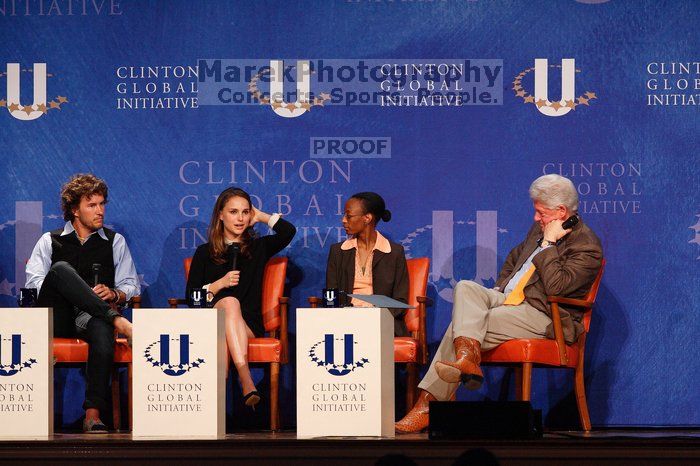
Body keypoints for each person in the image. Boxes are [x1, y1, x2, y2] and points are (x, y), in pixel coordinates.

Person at [395, 174, 603, 433]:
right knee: (466, 288)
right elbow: (516, 258)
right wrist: (500, 288)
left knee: (463, 326)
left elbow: (557, 287)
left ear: (561, 211)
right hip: (508, 299)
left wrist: (549, 244)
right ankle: (466, 359)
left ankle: (429, 402)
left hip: (543, 314)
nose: (536, 218)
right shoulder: (538, 229)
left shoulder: (587, 246)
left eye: (541, 212)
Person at [26, 174, 139, 433]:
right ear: (75, 210)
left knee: (101, 328)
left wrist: (114, 294)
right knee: (60, 269)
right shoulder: (49, 240)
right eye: (92, 205)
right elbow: (34, 286)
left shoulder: (115, 242)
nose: (100, 211)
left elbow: (131, 286)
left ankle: (92, 414)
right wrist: (74, 290)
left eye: (102, 204)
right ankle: (118, 321)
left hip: (92, 317)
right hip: (57, 316)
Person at [186, 187, 296, 408]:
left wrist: (262, 216)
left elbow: (288, 232)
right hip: (210, 324)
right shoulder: (204, 252)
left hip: (248, 323)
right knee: (228, 302)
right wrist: (219, 284)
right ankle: (245, 378)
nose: (240, 218)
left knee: (231, 305)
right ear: (220, 215)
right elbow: (192, 298)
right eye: (234, 212)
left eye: (245, 212)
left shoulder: (258, 247)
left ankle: (213, 406)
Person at [325, 192, 409, 337]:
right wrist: (339, 317)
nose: (343, 220)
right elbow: (330, 296)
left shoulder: (394, 252)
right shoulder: (338, 251)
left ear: (367, 218)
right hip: (345, 323)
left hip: (382, 323)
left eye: (349, 216)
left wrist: (374, 317)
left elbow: (400, 301)